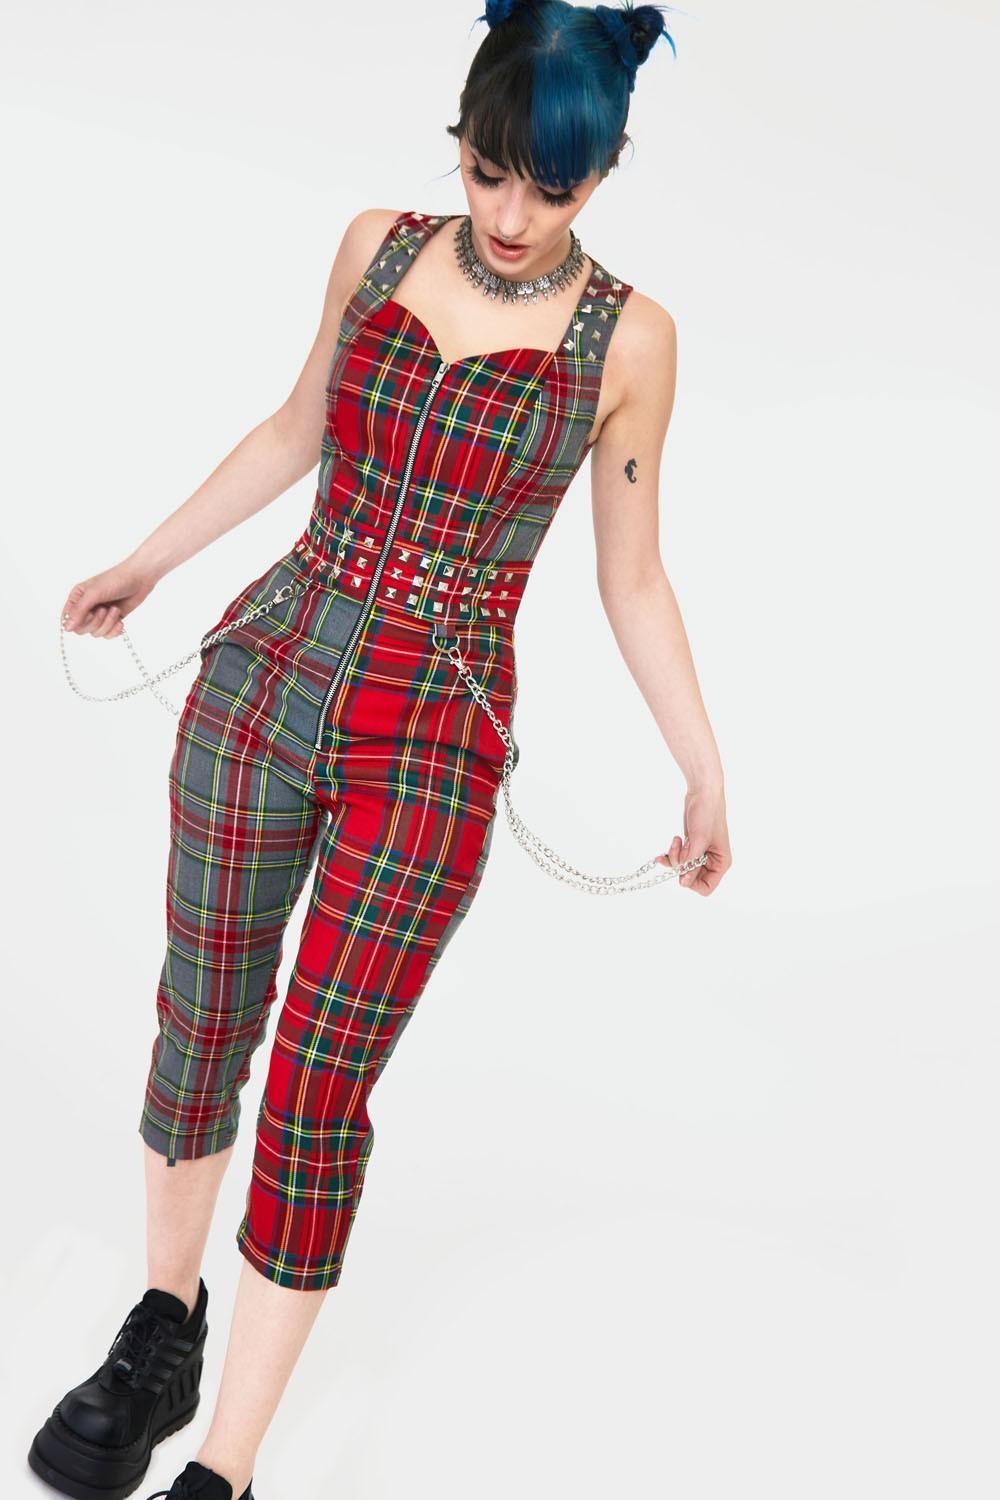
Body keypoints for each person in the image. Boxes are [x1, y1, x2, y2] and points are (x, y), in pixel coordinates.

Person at [33, 2, 732, 1497]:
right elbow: (296, 430)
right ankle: (163, 1326)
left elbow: (631, 576)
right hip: (270, 672)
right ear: (459, 142)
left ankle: (226, 1463)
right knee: (201, 1017)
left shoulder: (632, 341)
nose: (513, 216)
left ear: (606, 173)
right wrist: (148, 560)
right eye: (489, 171)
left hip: (435, 737)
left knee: (318, 1085)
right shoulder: (376, 248)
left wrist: (703, 769)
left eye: (553, 188)